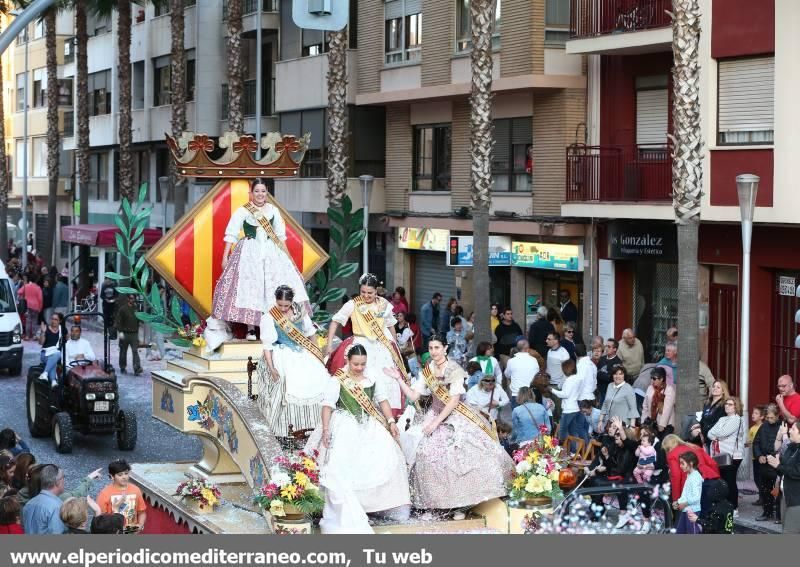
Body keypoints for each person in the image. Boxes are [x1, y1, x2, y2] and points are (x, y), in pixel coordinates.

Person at [388, 334, 514, 514]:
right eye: (431, 348)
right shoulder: (428, 369)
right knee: (426, 455)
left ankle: (461, 505)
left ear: (445, 348)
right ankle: (436, 504)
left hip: (454, 416)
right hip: (434, 414)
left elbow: (454, 401)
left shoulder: (454, 369)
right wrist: (398, 379)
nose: (433, 352)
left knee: (459, 456)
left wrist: (435, 424)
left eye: (437, 348)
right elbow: (415, 396)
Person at [305, 345, 411, 531]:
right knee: (342, 465)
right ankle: (342, 509)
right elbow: (327, 406)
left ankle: (372, 508)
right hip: (343, 425)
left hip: (369, 424)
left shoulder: (372, 377)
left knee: (382, 460)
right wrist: (326, 429)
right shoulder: (338, 379)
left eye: (363, 364)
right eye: (356, 364)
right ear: (348, 360)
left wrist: (391, 421)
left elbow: (382, 400)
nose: (360, 368)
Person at [211, 178, 310, 339]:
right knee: (251, 288)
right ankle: (251, 328)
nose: (260, 194)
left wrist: (289, 259)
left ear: (267, 192)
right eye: (257, 191)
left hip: (272, 253)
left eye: (263, 191)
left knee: (273, 288)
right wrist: (225, 257)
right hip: (249, 253)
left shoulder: (274, 210)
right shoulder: (244, 210)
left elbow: (280, 237)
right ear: (251, 193)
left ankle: (276, 325)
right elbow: (231, 234)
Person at [326, 273, 406, 417]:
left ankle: (386, 414)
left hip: (381, 346)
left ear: (377, 291)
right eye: (363, 292)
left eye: (370, 293)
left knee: (386, 379)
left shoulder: (383, 304)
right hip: (360, 345)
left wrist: (394, 347)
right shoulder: (353, 304)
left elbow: (390, 325)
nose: (366, 295)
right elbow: (335, 321)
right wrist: (329, 344)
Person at [257, 285, 328, 437]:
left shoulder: (300, 313)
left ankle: (315, 426)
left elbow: (311, 334)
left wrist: (317, 354)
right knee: (289, 380)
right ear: (276, 301)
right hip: (280, 352)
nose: (283, 308)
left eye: (286, 305)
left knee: (316, 379)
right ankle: (287, 429)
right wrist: (271, 368)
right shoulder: (269, 317)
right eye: (280, 304)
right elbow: (267, 346)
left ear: (291, 302)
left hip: (302, 352)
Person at [661, 434, 720, 511]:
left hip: (691, 484)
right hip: (710, 478)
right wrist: (717, 477)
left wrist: (676, 499)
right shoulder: (694, 447)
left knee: (694, 513)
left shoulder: (671, 454)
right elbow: (712, 463)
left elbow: (676, 476)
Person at [707, 396, 746, 512]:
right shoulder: (722, 419)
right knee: (723, 481)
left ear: (736, 407)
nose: (727, 406)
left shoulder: (737, 419)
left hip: (732, 456)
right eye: (726, 404)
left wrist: (716, 435)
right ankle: (725, 506)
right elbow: (710, 433)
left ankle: (734, 508)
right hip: (719, 456)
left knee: (730, 481)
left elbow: (723, 433)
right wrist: (716, 434)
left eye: (730, 404)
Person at [766, 421, 800, 533]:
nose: (789, 430)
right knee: (786, 529)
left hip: (796, 499)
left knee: (790, 532)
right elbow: (783, 470)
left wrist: (778, 465)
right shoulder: (791, 447)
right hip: (786, 496)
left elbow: (797, 472)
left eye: (793, 429)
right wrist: (775, 465)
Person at [96, 459, 147, 532]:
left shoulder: (136, 490)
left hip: (132, 531)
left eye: (126, 473)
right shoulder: (104, 494)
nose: (124, 477)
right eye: (120, 475)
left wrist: (140, 525)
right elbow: (100, 520)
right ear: (112, 476)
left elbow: (142, 512)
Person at [753, 403, 782, 521]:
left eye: (772, 417)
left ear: (777, 416)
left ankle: (779, 515)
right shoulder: (764, 426)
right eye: (768, 417)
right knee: (765, 489)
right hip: (764, 462)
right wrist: (759, 455)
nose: (769, 420)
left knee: (779, 489)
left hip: (777, 463)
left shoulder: (782, 426)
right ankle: (767, 512)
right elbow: (756, 443)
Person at [22, 465, 66, 534]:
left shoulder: (29, 503)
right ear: (57, 482)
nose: (64, 481)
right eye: (63, 477)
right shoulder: (57, 507)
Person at [551, 358, 584, 444]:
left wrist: (552, 390)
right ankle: (574, 451)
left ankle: (563, 449)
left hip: (568, 409)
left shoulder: (569, 380)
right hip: (576, 407)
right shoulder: (578, 378)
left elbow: (565, 394)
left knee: (562, 431)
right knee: (573, 432)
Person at [598, 365, 639, 431]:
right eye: (615, 374)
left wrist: (632, 427)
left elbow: (633, 408)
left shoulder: (628, 388)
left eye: (620, 374)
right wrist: (600, 420)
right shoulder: (610, 385)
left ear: (624, 376)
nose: (618, 376)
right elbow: (605, 403)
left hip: (623, 425)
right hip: (610, 423)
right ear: (612, 375)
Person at [690, 380, 729, 449]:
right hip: (704, 437)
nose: (715, 388)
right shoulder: (707, 403)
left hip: (715, 439)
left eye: (718, 387)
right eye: (713, 386)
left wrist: (701, 431)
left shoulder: (724, 405)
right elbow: (704, 419)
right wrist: (699, 425)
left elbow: (718, 423)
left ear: (723, 391)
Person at [673, 451, 703, 534]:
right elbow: (686, 493)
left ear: (691, 463)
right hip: (686, 510)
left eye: (682, 463)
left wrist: (684, 503)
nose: (680, 466)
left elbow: (697, 497)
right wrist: (678, 502)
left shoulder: (696, 477)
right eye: (680, 463)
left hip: (692, 511)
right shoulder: (690, 475)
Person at [640, 366, 676, 436]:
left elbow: (667, 410)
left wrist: (662, 425)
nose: (652, 381)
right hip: (651, 423)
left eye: (654, 378)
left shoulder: (669, 390)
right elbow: (645, 406)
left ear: (661, 379)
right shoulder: (650, 388)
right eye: (651, 378)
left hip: (666, 425)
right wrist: (643, 421)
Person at [504, 339, 540, 408]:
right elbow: (537, 375)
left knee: (517, 416)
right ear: (527, 349)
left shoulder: (511, 361)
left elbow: (507, 375)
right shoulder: (534, 360)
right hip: (531, 393)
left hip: (517, 394)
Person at [115, 294, 142, 376]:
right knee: (123, 351)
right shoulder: (123, 309)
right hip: (125, 333)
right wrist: (120, 332)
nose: (132, 300)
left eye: (134, 298)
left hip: (134, 333)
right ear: (128, 299)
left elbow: (138, 320)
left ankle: (137, 368)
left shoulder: (136, 309)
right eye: (131, 298)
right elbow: (118, 321)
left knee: (135, 351)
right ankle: (122, 367)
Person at [37, 313, 64, 389]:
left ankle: (48, 377)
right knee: (57, 354)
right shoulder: (46, 329)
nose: (53, 321)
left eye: (56, 319)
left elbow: (68, 341)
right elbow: (41, 343)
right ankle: (51, 379)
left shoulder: (62, 330)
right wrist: (43, 332)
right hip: (45, 354)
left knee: (55, 358)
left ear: (60, 321)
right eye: (52, 319)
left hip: (55, 354)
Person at [747, 404, 766, 505]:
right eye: (753, 413)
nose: (753, 415)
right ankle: (761, 497)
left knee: (762, 479)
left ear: (762, 416)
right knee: (756, 478)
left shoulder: (763, 427)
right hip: (754, 457)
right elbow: (750, 442)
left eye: (756, 413)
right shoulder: (752, 428)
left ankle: (764, 498)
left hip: (761, 458)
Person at [18, 274, 43, 341]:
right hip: (36, 306)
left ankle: (27, 335)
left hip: (27, 305)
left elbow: (19, 292)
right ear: (36, 280)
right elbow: (40, 299)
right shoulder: (38, 288)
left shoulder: (26, 286)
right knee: (34, 321)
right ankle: (34, 335)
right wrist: (40, 308)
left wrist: (23, 296)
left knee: (28, 321)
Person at [596, 338, 621, 403]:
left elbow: (610, 378)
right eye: (606, 346)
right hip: (599, 391)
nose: (606, 348)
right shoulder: (602, 358)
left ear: (615, 349)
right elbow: (596, 373)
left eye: (609, 347)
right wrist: (602, 374)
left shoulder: (617, 362)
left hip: (609, 393)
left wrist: (600, 373)